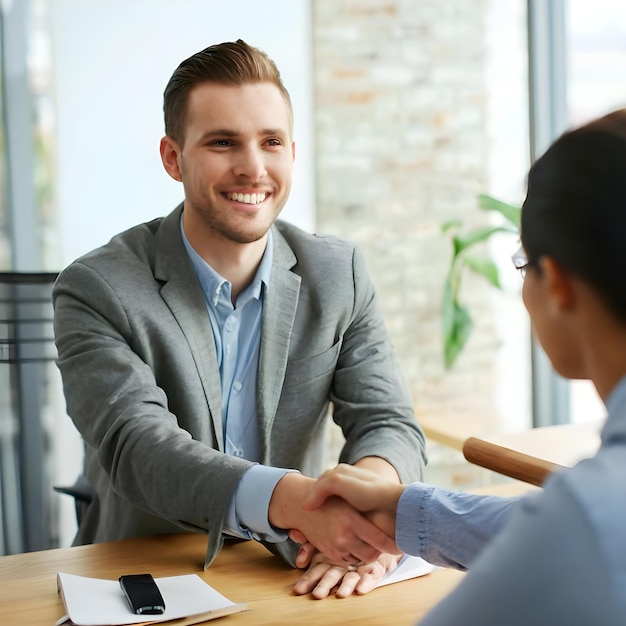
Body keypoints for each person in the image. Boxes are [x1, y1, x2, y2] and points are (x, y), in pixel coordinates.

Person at [52, 39, 426, 598]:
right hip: (146, 577)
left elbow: (387, 421)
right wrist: (296, 500)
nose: (253, 167)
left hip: (291, 573)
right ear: (173, 157)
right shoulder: (99, 287)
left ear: (292, 153)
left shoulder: (338, 272)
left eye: (270, 142)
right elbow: (139, 445)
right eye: (223, 142)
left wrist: (365, 518)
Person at [301, 109, 626, 623]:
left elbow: (573, 533)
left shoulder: (590, 518)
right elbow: (546, 530)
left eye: (523, 264)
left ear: (558, 282)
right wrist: (404, 508)